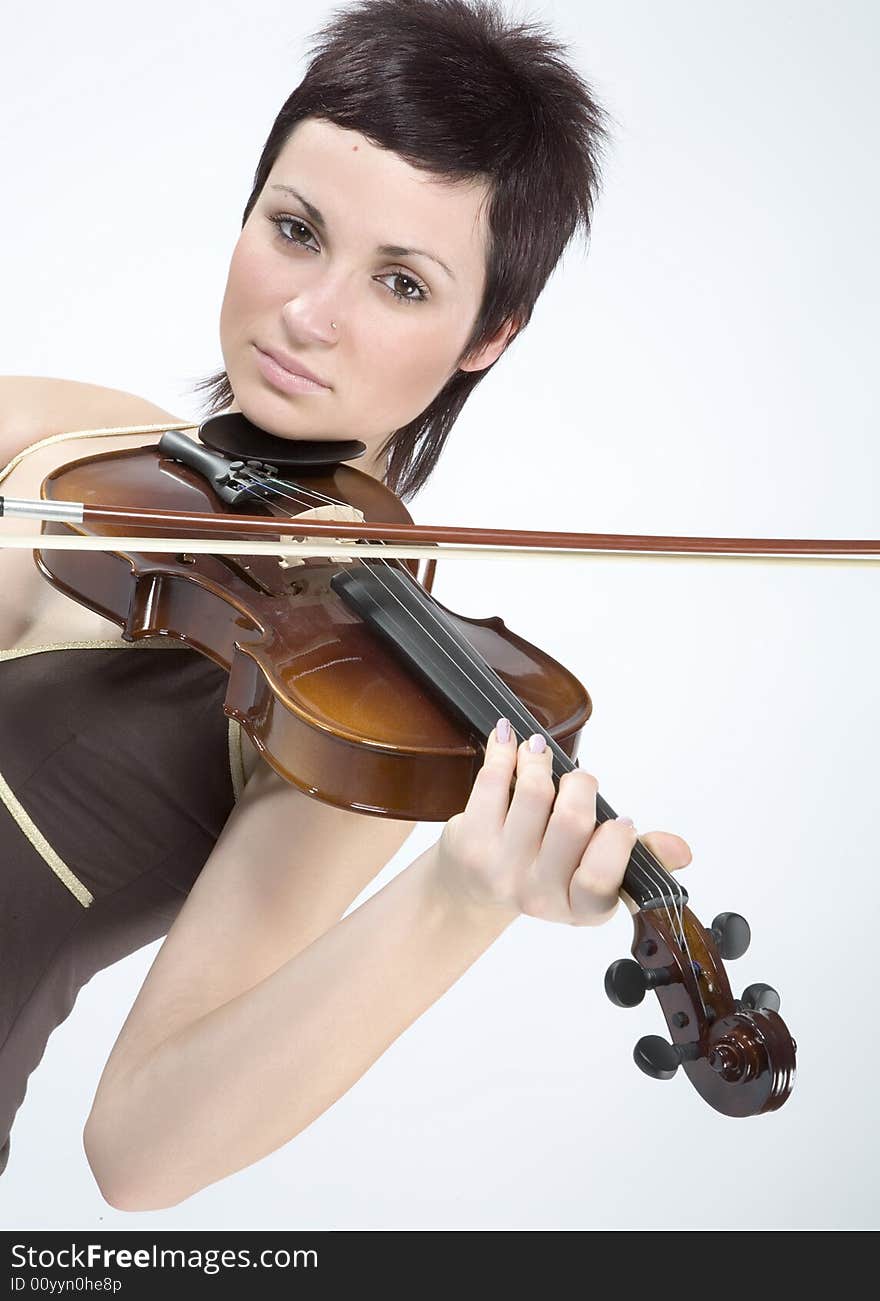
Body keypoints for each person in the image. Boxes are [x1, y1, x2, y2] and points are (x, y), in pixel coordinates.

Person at [0, 0, 691, 1210]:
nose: (312, 315)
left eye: (402, 282)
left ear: (487, 335)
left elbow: (140, 1148)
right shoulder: (66, 437)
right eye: (296, 228)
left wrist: (457, 900)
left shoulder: (355, 689)